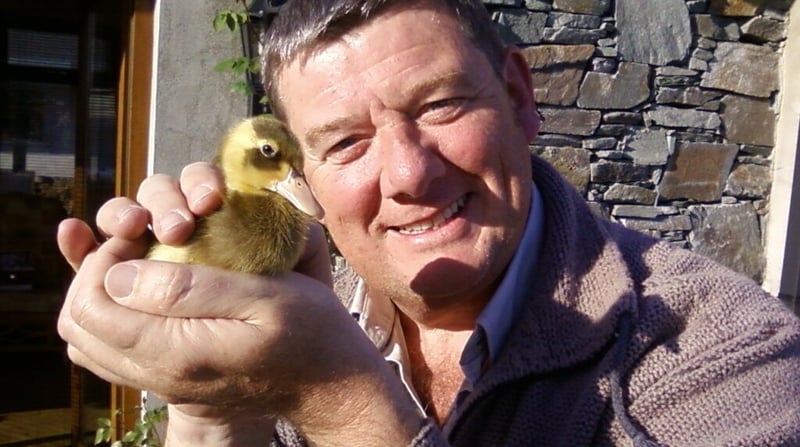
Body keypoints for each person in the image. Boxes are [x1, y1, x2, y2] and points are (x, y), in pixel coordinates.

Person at [57, 0, 800, 445]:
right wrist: (215, 406)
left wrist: (340, 400)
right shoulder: (297, 300)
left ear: (518, 97)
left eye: (442, 105)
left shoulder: (730, 359)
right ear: (301, 170)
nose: (409, 174)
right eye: (345, 142)